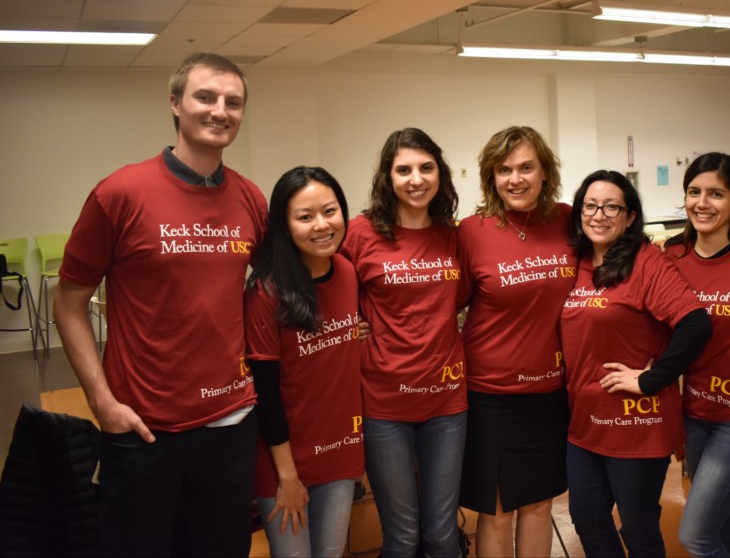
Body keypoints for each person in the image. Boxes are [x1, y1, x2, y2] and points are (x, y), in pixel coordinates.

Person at [53, 52, 266, 556]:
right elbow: (69, 300)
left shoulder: (251, 199)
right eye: (205, 97)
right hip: (142, 427)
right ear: (175, 103)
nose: (220, 110)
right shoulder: (120, 193)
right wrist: (103, 402)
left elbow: (282, 285)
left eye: (233, 102)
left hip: (230, 422)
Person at [559, 170, 712, 558]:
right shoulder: (575, 263)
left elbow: (695, 323)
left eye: (612, 206)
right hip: (585, 423)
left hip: (636, 423)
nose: (599, 215)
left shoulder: (647, 263)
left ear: (629, 217)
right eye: (590, 205)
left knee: (639, 527)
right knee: (587, 519)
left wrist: (652, 379)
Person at [341, 128, 467, 558]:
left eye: (426, 167)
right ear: (387, 177)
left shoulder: (454, 236)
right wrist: (348, 323)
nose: (416, 179)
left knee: (443, 532)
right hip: (383, 404)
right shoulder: (359, 233)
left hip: (447, 402)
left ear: (439, 173)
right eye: (404, 169)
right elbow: (326, 287)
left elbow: (469, 297)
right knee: (402, 536)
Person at [456, 126, 574, 557]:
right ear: (491, 177)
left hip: (548, 394)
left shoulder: (565, 220)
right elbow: (442, 302)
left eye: (526, 167)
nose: (515, 179)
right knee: (497, 511)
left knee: (540, 506)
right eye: (503, 170)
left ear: (545, 173)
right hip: (491, 396)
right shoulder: (472, 231)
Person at [244, 167, 364, 557]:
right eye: (305, 216)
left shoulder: (347, 272)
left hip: (341, 447)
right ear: (284, 225)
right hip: (285, 461)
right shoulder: (267, 290)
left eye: (330, 211)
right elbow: (266, 392)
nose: (322, 225)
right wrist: (287, 476)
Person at [664, 152, 730, 557]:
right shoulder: (672, 257)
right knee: (723, 529)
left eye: (716, 194)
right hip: (695, 414)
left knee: (696, 535)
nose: (702, 203)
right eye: (694, 192)